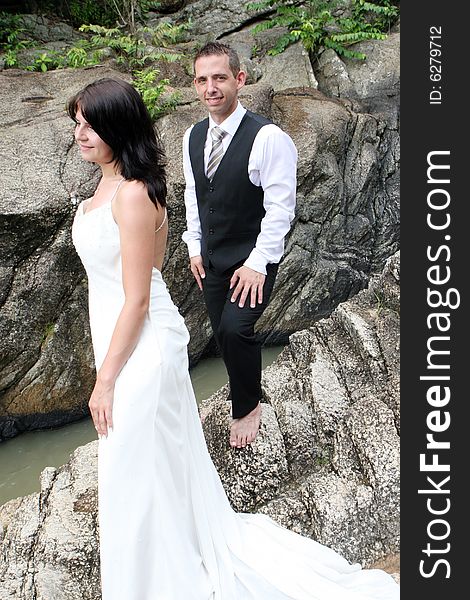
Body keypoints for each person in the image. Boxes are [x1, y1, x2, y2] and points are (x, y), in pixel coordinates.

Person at [69, 77, 399, 600]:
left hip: (142, 349)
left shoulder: (132, 196)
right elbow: (147, 278)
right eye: (77, 123)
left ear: (116, 126)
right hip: (130, 338)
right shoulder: (107, 193)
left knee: (132, 474)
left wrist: (104, 379)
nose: (80, 133)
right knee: (142, 472)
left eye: (89, 124)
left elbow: (137, 296)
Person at [182, 41, 298, 449]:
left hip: (254, 260)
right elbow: (195, 196)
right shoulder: (192, 136)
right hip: (211, 258)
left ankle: (248, 406)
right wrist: (194, 246)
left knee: (236, 329)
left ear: (239, 79)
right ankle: (240, 385)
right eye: (202, 80)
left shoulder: (268, 138)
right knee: (221, 332)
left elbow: (280, 210)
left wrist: (258, 264)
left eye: (219, 77)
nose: (210, 87)